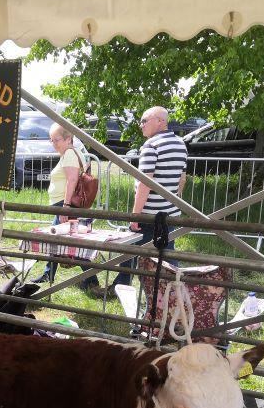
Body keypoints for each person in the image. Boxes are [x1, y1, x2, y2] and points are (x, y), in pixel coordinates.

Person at [110, 106, 188, 293]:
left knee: (131, 249)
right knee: (166, 254)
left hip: (150, 214)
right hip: (169, 212)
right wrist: (172, 202)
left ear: (161, 121)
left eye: (145, 121)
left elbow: (145, 183)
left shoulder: (151, 146)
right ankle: (175, 292)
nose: (141, 125)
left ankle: (121, 287)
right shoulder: (180, 143)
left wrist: (135, 216)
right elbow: (182, 179)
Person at [35, 122, 101, 293]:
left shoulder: (70, 154)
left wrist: (65, 207)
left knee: (68, 244)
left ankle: (91, 280)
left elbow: (72, 180)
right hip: (64, 204)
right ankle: (51, 274)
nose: (54, 144)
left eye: (56, 140)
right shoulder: (70, 153)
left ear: (68, 139)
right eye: (51, 140)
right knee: (62, 242)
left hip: (64, 205)